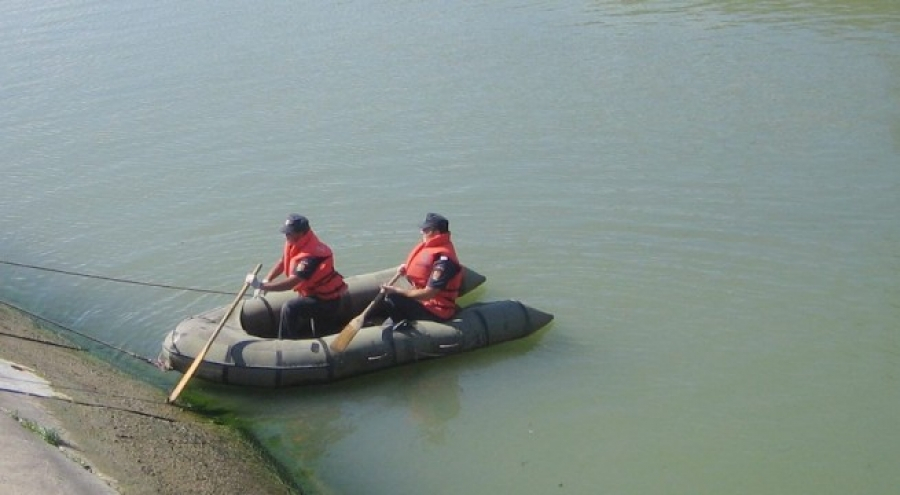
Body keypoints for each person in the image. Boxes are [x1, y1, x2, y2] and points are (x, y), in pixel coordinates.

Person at [245, 214, 347, 339]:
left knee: (290, 308)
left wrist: (262, 286)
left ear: (301, 233)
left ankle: (286, 344)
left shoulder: (311, 256)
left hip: (326, 301)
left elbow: (292, 282)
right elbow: (283, 261)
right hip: (311, 294)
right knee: (311, 324)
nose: (286, 235)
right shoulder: (295, 243)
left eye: (289, 233)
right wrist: (268, 279)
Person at [380, 213, 463, 327]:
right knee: (389, 302)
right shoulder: (430, 247)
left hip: (437, 310)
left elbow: (428, 294)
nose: (421, 232)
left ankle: (406, 329)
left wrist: (398, 291)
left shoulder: (444, 260)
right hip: (423, 302)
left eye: (425, 230)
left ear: (437, 233)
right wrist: (407, 268)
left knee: (392, 298)